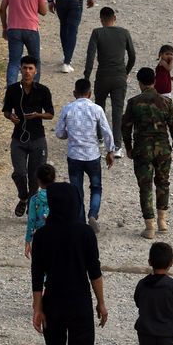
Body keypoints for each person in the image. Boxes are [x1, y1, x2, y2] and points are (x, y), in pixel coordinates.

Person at [30, 182, 107, 345]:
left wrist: (37, 310)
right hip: (80, 302)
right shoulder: (85, 233)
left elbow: (36, 276)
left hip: (53, 302)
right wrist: (102, 303)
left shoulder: (41, 235)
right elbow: (94, 271)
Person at [122, 67, 173, 239]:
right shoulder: (165, 102)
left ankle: (149, 226)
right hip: (163, 148)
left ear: (139, 82)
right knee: (163, 182)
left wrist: (128, 147)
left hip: (142, 149)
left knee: (145, 186)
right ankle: (162, 220)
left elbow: (125, 127)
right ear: (154, 81)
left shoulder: (134, 102)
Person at [55, 79, 115, 231]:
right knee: (96, 187)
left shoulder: (67, 109)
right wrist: (110, 151)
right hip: (92, 156)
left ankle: (80, 223)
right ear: (90, 93)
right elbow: (107, 131)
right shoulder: (96, 109)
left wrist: (70, 134)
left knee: (76, 191)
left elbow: (59, 133)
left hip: (74, 156)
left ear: (74, 93)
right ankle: (93, 215)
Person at [3, 55, 54, 217]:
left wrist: (38, 115)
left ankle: (31, 206)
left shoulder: (43, 90)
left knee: (35, 175)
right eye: (24, 68)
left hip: (38, 138)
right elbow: (6, 111)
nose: (27, 71)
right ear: (20, 69)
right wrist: (11, 117)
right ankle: (23, 196)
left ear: (35, 71)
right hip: (18, 138)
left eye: (30, 68)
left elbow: (50, 114)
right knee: (19, 172)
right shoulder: (12, 90)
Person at [83, 5, 135, 157]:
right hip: (119, 75)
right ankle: (117, 146)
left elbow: (90, 55)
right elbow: (132, 56)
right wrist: (125, 72)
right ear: (115, 18)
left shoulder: (97, 33)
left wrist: (86, 76)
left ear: (101, 20)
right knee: (117, 111)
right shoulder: (124, 33)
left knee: (99, 107)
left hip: (103, 75)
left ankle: (99, 137)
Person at [0, 0, 48, 85]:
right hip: (31, 29)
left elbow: (2, 9)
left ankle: (11, 92)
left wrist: (5, 28)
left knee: (14, 62)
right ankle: (34, 90)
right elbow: (43, 11)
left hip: (13, 29)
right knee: (35, 61)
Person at [24, 164, 56, 259]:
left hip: (40, 237)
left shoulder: (35, 199)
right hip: (57, 236)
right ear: (54, 179)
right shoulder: (59, 197)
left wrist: (28, 241)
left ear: (38, 180)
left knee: (40, 268)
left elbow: (31, 220)